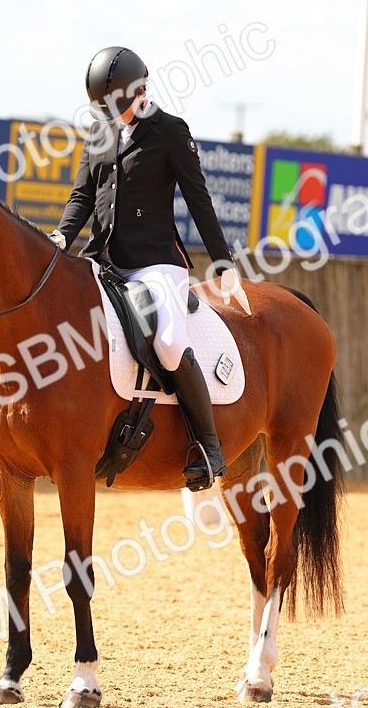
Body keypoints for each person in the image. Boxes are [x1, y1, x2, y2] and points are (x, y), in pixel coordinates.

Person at [49, 45, 250, 490]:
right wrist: (63, 235)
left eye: (118, 108)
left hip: (156, 264)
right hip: (102, 259)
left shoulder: (170, 131)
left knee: (170, 341)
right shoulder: (99, 134)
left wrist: (222, 262)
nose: (114, 118)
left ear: (141, 90)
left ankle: (208, 445)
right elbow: (83, 196)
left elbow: (199, 198)